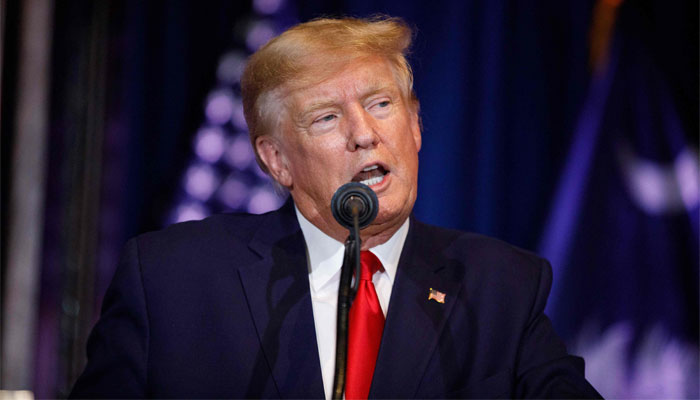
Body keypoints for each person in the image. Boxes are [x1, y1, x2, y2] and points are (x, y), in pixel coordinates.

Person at [70, 16, 601, 399]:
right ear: (277, 161)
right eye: (326, 117)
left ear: (415, 126)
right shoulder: (172, 279)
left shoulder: (498, 284)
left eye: (381, 104)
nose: (364, 134)